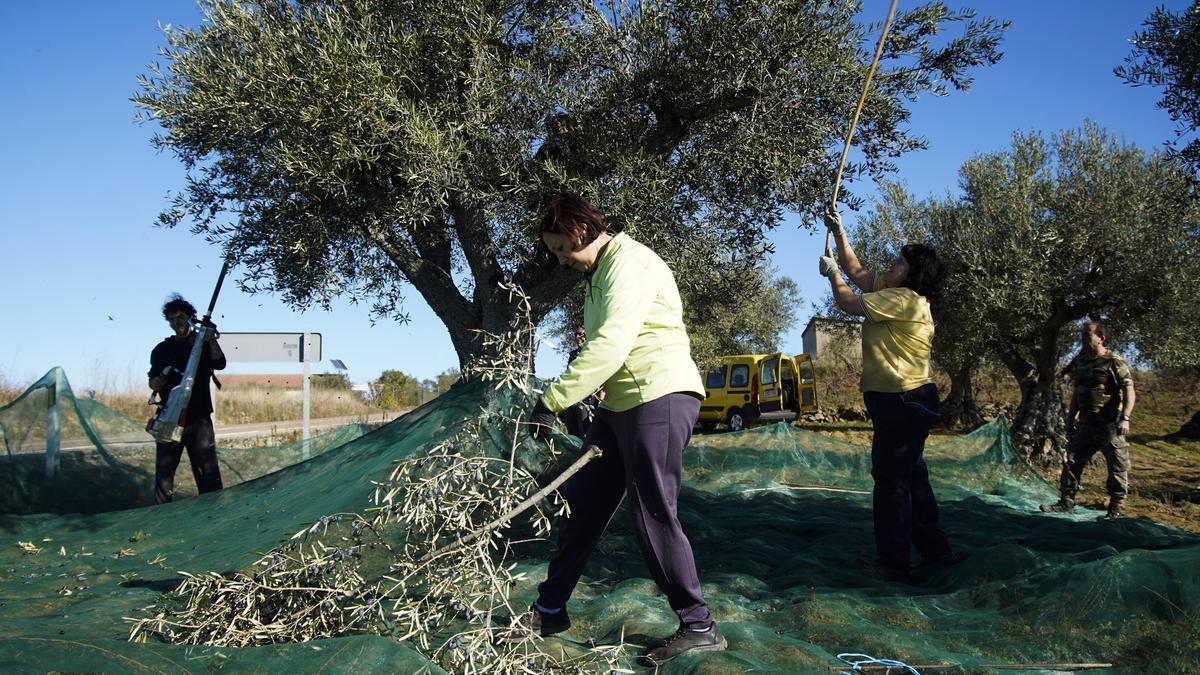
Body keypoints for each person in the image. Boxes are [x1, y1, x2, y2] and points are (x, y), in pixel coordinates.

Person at [519, 193, 726, 665]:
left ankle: (699, 625)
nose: (561, 261)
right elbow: (604, 350)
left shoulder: (628, 263)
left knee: (652, 513)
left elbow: (613, 344)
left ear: (578, 233)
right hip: (621, 405)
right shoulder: (598, 275)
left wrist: (552, 400)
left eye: (561, 250)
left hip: (659, 395)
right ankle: (550, 608)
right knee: (584, 504)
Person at [821, 207, 958, 581]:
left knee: (891, 481)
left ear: (912, 273)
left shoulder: (904, 300)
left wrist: (832, 274)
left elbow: (849, 300)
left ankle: (894, 562)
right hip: (909, 400)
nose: (892, 264)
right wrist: (840, 233)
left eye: (898, 261)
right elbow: (860, 273)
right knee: (912, 476)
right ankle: (935, 550)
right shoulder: (899, 295)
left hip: (903, 400)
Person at [1040, 321, 1136, 520]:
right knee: (1071, 462)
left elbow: (1129, 391)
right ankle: (1066, 503)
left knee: (1117, 466)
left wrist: (1125, 418)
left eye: (1088, 334)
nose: (1084, 338)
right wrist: (1070, 417)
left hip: (1109, 424)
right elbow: (1077, 392)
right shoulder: (1082, 362)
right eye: (1082, 334)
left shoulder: (1114, 361)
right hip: (1086, 423)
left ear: (1101, 337)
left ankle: (1115, 509)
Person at [148, 295, 226, 504]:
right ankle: (161, 515)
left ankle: (213, 511)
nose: (177, 323)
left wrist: (210, 338)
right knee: (164, 473)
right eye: (172, 320)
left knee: (207, 471)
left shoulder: (202, 344)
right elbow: (152, 381)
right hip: (169, 416)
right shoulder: (161, 350)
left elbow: (220, 363)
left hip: (199, 417)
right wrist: (157, 382)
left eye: (180, 317)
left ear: (191, 317)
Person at [561, 326, 602, 438]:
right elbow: (569, 375)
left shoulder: (593, 353)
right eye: (576, 335)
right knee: (572, 435)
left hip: (587, 402)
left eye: (580, 334)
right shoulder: (572, 355)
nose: (577, 337)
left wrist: (600, 401)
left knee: (585, 434)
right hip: (572, 401)